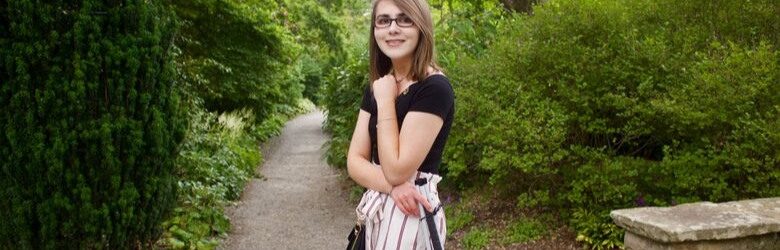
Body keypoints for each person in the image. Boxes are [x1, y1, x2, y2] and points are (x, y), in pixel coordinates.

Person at [346, 0, 455, 249]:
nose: (393, 28)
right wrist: (392, 188)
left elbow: (396, 170)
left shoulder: (434, 88)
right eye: (384, 20)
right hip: (376, 211)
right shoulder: (378, 85)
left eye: (404, 19)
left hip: (411, 215)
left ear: (421, 27)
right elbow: (355, 160)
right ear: (375, 31)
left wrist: (385, 101)